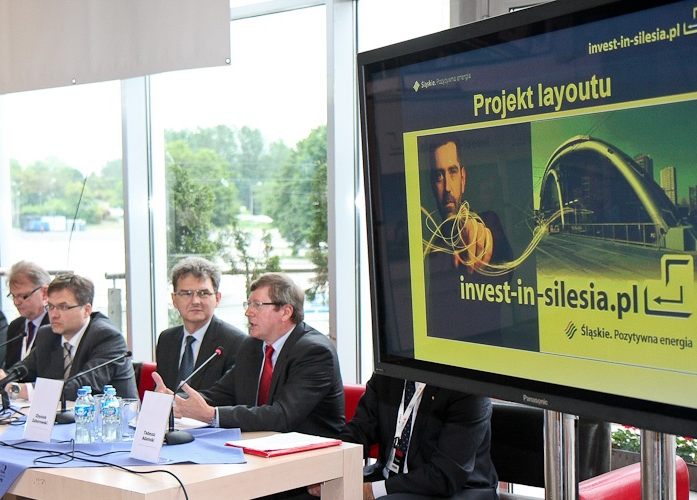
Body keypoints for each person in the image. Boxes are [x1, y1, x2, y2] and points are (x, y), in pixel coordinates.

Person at [151, 272, 344, 437]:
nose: (248, 312)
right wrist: (177, 401)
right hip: (259, 445)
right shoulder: (252, 346)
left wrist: (211, 415)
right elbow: (222, 394)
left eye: (257, 305)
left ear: (286, 312)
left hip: (313, 455)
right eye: (248, 304)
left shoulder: (314, 352)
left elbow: (282, 416)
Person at [309, 373, 499, 500]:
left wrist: (369, 491)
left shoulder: (466, 390)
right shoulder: (389, 374)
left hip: (454, 490)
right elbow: (359, 430)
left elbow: (443, 476)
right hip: (392, 478)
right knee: (308, 494)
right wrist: (328, 470)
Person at [424, 134, 513, 346]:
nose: (447, 187)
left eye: (452, 172)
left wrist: (478, 235)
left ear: (463, 179)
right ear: (432, 185)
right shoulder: (432, 243)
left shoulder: (488, 221)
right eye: (439, 176)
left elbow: (502, 257)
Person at [0, 273, 138, 402]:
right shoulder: (48, 335)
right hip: (61, 417)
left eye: (63, 307)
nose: (54, 315)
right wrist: (5, 377)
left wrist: (21, 390)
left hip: (112, 418)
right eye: (51, 306)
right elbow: (24, 370)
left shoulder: (107, 337)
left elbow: (81, 388)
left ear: (86, 310)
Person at [154, 257, 246, 393]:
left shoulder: (235, 342)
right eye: (186, 293)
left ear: (217, 298)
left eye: (203, 293)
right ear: (174, 300)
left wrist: (179, 401)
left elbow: (230, 397)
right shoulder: (166, 339)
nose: (195, 301)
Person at [1, 261, 51, 369]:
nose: (16, 302)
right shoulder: (15, 327)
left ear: (44, 293)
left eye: (22, 296)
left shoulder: (56, 326)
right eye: (13, 296)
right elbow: (10, 367)